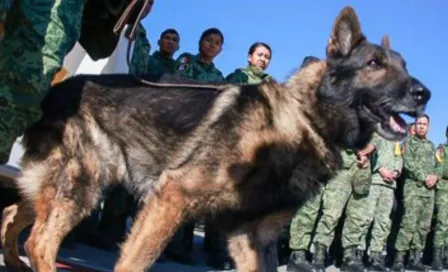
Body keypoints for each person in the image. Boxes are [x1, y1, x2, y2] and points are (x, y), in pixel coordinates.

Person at [391, 114, 442, 271]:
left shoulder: (432, 146)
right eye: (419, 123)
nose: (421, 126)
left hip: (429, 191)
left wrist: (435, 176)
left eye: (424, 124)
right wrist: (424, 177)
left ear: (428, 127)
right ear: (415, 125)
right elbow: (408, 163)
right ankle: (399, 258)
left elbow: (439, 164)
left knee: (424, 226)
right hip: (413, 189)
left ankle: (415, 259)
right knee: (409, 223)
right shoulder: (408, 143)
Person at [311, 147, 372, 272]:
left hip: (363, 167)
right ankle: (319, 255)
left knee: (357, 216)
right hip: (342, 165)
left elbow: (378, 137)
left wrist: (370, 148)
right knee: (331, 214)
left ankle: (349, 257)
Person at [357, 133, 403, 271]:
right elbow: (370, 153)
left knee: (382, 222)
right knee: (366, 218)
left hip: (389, 186)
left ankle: (375, 257)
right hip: (376, 181)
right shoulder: (376, 135)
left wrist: (395, 172)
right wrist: (380, 169)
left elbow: (398, 158)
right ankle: (359, 254)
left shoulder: (395, 141)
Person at [432, 125, 448, 270]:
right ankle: (437, 257)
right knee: (442, 224)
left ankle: (445, 255)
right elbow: (441, 169)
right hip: (444, 191)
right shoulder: (442, 149)